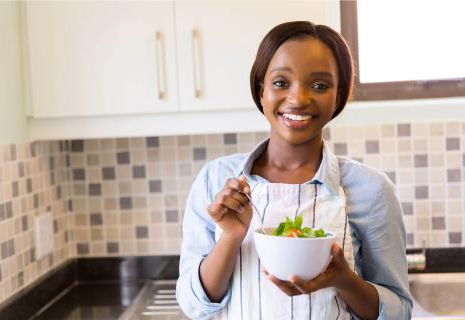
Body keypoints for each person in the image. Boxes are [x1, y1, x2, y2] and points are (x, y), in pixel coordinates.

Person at [176, 21, 412, 320]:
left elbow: (399, 312)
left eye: (320, 85)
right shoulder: (215, 180)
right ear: (260, 90)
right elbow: (194, 305)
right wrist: (230, 237)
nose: (299, 99)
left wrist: (343, 280)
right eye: (280, 82)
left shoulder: (371, 189)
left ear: (338, 96)